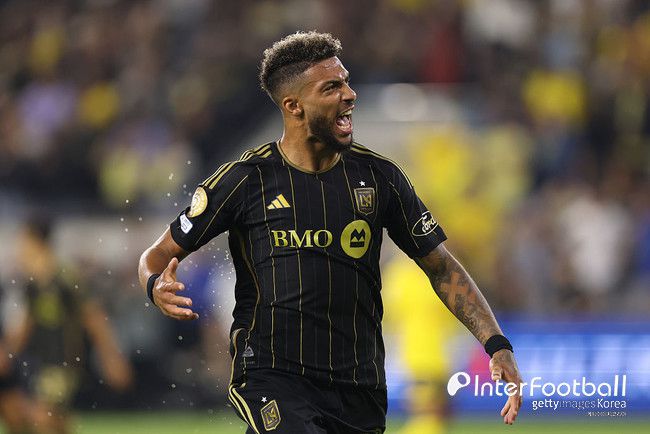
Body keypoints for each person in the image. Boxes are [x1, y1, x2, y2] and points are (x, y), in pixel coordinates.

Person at [139, 31, 522, 433]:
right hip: (272, 376)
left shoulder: (380, 177)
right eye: (331, 87)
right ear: (294, 106)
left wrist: (496, 344)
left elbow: (440, 267)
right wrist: (153, 284)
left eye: (347, 82)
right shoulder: (246, 180)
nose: (350, 95)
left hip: (358, 386)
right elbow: (156, 255)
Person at [9, 216, 133, 434]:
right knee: (27, 418)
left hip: (62, 363)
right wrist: (7, 353)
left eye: (23, 241)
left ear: (35, 241)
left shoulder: (65, 278)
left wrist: (111, 357)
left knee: (41, 416)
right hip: (37, 363)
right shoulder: (32, 283)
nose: (20, 249)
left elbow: (93, 316)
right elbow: (26, 324)